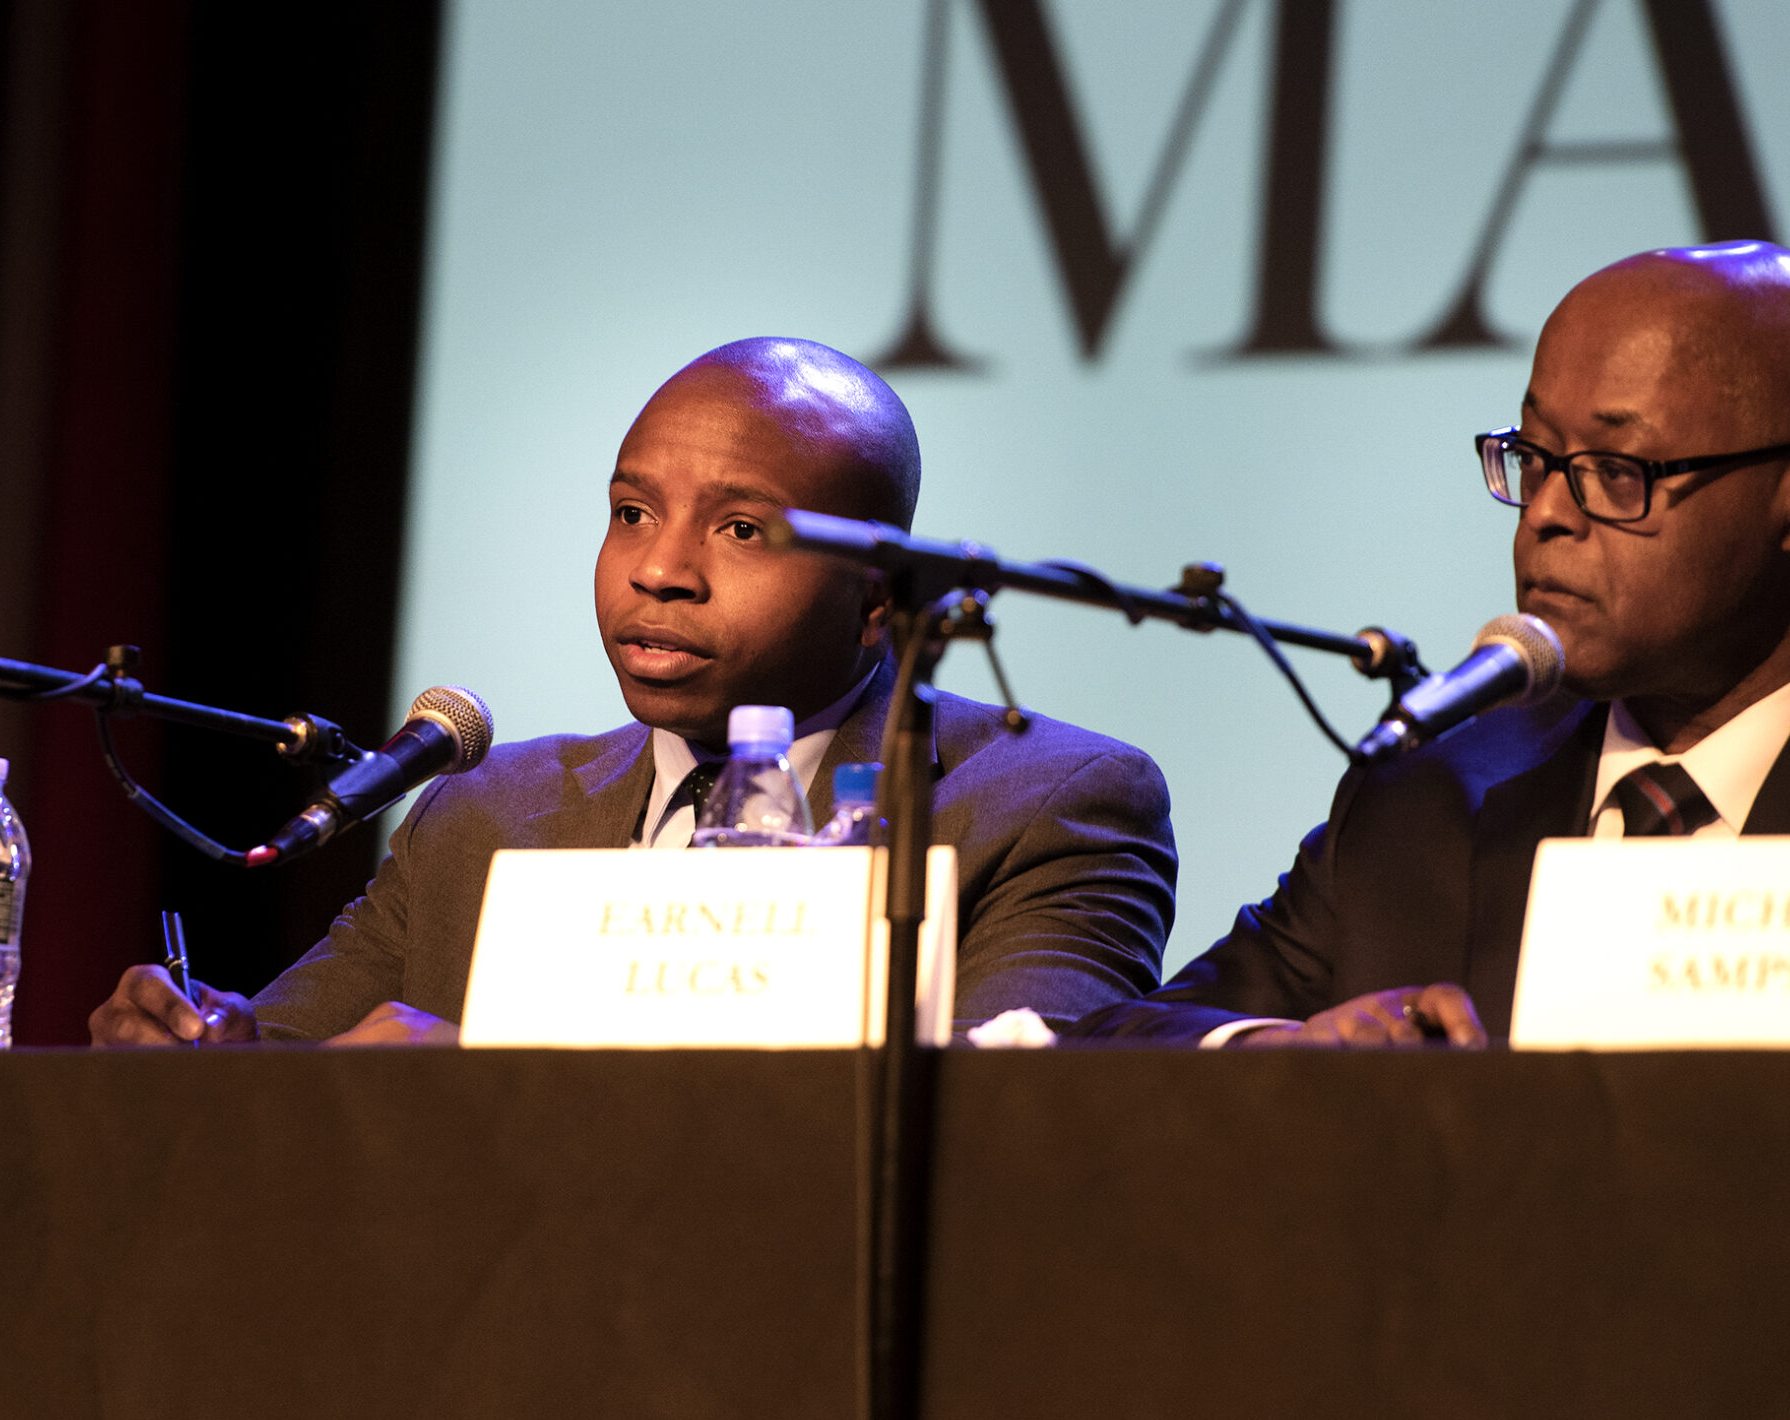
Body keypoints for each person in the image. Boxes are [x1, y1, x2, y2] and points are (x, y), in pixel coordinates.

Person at [92, 337, 1178, 1045]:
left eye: (741, 529)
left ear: (880, 596)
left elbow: (1000, 1138)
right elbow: (283, 1071)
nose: (660, 569)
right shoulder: (486, 814)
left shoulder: (1049, 807)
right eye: (631, 512)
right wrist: (203, 1046)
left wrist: (485, 1075)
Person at [1077, 241, 1790, 1048]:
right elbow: (1125, 1043)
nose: (1547, 515)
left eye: (1616, 472)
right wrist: (1289, 1052)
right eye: (1534, 458)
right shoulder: (1436, 787)